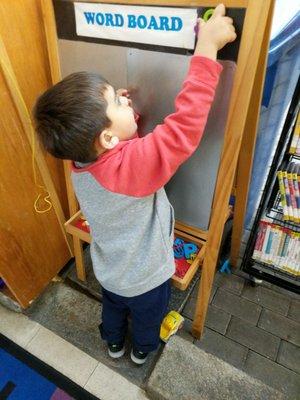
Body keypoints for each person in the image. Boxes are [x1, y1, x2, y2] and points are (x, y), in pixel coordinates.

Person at [33, 4, 236, 365]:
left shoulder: (80, 160)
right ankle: (142, 351)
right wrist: (206, 51)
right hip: (146, 278)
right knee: (147, 319)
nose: (125, 99)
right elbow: (183, 128)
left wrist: (125, 117)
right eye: (116, 101)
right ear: (109, 139)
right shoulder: (132, 170)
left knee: (113, 312)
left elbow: (117, 153)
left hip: (109, 270)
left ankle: (112, 343)